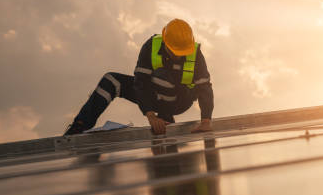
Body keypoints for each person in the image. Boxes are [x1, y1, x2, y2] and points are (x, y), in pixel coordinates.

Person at [64, 18, 213, 135]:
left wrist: (206, 120)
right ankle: (80, 126)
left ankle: (166, 117)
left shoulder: (195, 53)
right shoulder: (151, 46)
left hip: (181, 100)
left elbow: (204, 87)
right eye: (175, 51)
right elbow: (141, 83)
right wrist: (150, 116)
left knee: (164, 77)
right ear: (166, 42)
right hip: (152, 95)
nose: (178, 55)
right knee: (111, 80)